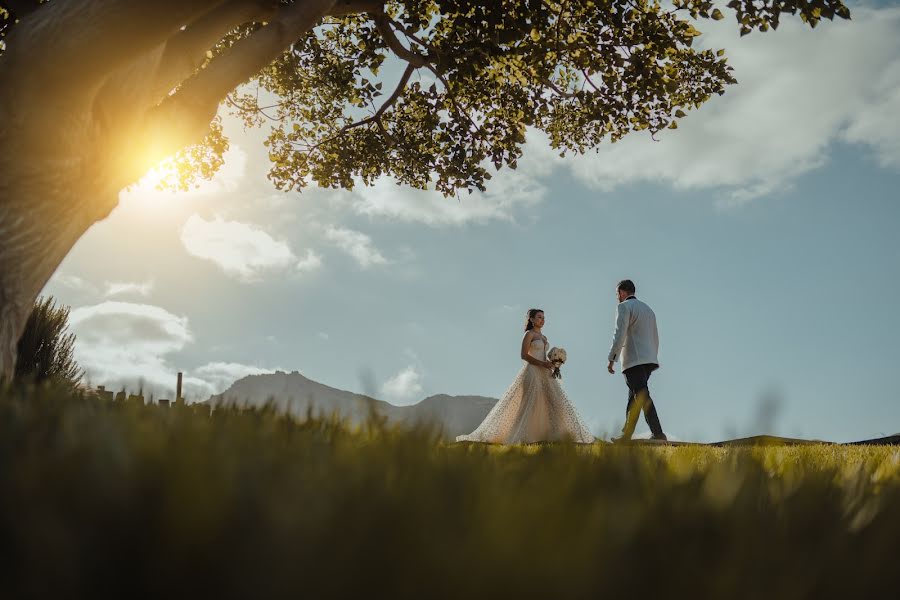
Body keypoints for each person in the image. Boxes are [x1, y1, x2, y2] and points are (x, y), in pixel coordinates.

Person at [456, 309, 594, 444]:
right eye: (539, 317)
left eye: (544, 317)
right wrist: (541, 363)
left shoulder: (545, 338)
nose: (542, 320)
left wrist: (554, 363)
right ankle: (520, 435)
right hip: (532, 372)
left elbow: (544, 356)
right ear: (532, 319)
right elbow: (523, 355)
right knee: (530, 403)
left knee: (553, 402)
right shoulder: (529, 334)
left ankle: (553, 435)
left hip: (545, 373)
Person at [607, 280, 667, 442]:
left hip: (633, 359)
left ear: (622, 292)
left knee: (641, 395)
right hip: (649, 359)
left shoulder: (624, 307)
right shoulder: (649, 310)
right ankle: (626, 435)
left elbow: (619, 334)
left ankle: (658, 433)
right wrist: (653, 358)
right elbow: (655, 336)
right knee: (633, 397)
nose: (617, 297)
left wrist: (612, 358)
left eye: (617, 294)